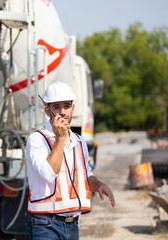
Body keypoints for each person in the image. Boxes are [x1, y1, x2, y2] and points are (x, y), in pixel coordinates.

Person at [26, 81, 115, 240]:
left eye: (66, 106)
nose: (62, 112)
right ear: (48, 111)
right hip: (44, 224)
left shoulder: (79, 142)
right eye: (56, 107)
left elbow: (85, 176)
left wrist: (99, 184)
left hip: (72, 225)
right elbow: (48, 173)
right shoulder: (37, 140)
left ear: (73, 109)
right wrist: (60, 139)